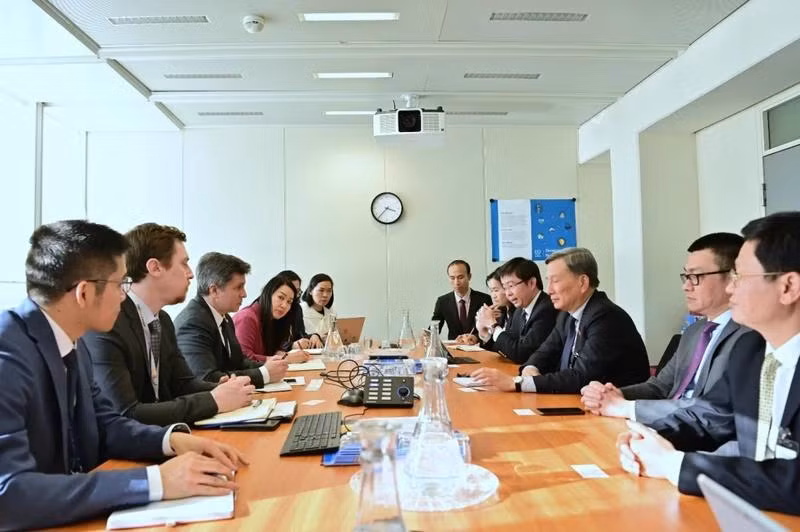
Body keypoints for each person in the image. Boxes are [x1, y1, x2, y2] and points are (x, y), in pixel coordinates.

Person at [0, 220, 247, 530]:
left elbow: (106, 425)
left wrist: (171, 441)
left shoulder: (72, 344)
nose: (124, 295)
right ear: (85, 293)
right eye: (120, 284)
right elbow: (9, 495)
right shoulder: (7, 355)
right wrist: (154, 481)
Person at [616, 212, 800, 515]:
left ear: (787, 287)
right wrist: (648, 437)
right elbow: (709, 417)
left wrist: (675, 465)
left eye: (739, 277)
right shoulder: (751, 350)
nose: (730, 288)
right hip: (752, 512)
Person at [80, 224, 254, 426]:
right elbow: (125, 413)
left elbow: (182, 383)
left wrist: (220, 388)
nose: (190, 274)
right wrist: (214, 400)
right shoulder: (108, 323)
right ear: (154, 267)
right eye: (184, 264)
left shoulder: (162, 320)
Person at [582, 233, 761, 426]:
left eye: (696, 276)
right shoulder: (695, 331)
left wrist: (625, 407)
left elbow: (709, 408)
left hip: (698, 437)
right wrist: (615, 395)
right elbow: (660, 387)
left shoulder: (751, 335)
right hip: (665, 426)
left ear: (732, 278)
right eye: (685, 276)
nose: (686, 286)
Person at [471, 247, 649, 394]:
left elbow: (582, 377)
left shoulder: (606, 317)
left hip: (618, 414)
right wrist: (530, 368)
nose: (548, 290)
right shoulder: (567, 314)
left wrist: (518, 383)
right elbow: (542, 353)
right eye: (548, 281)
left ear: (582, 283)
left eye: (555, 281)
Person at [175, 252, 289, 386]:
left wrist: (267, 365)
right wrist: (264, 374)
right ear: (214, 290)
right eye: (238, 287)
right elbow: (206, 377)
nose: (244, 294)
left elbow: (239, 362)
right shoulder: (193, 323)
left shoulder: (225, 318)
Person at [473, 257, 557, 364]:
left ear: (531, 283)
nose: (508, 293)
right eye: (505, 287)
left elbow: (521, 354)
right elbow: (507, 347)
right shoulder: (519, 310)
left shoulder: (546, 309)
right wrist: (484, 333)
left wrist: (493, 325)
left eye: (511, 286)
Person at [234, 274, 310, 364]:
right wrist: (285, 359)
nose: (284, 305)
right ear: (268, 294)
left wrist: (282, 354)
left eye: (289, 302)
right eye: (281, 297)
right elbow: (244, 359)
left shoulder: (273, 320)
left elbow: (271, 352)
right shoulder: (247, 317)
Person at [431, 259, 492, 340]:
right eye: (452, 278)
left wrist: (476, 337)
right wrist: (426, 336)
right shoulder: (442, 302)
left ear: (469, 276)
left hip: (477, 348)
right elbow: (434, 328)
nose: (456, 282)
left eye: (460, 277)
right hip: (453, 349)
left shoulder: (484, 299)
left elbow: (490, 330)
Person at [454, 267, 514, 345]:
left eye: (496, 290)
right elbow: (496, 347)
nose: (493, 296)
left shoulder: (518, 313)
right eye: (491, 291)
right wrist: (482, 332)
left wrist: (492, 323)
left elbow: (510, 348)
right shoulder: (501, 312)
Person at [277, 269, 323, 349]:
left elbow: (300, 335)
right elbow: (268, 343)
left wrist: (314, 336)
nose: (294, 296)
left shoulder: (297, 308)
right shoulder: (275, 309)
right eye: (291, 290)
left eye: (297, 291)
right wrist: (291, 346)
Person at [301, 273, 336, 339]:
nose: (325, 295)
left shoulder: (332, 311)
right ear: (310, 291)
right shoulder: (300, 310)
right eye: (321, 290)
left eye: (329, 291)